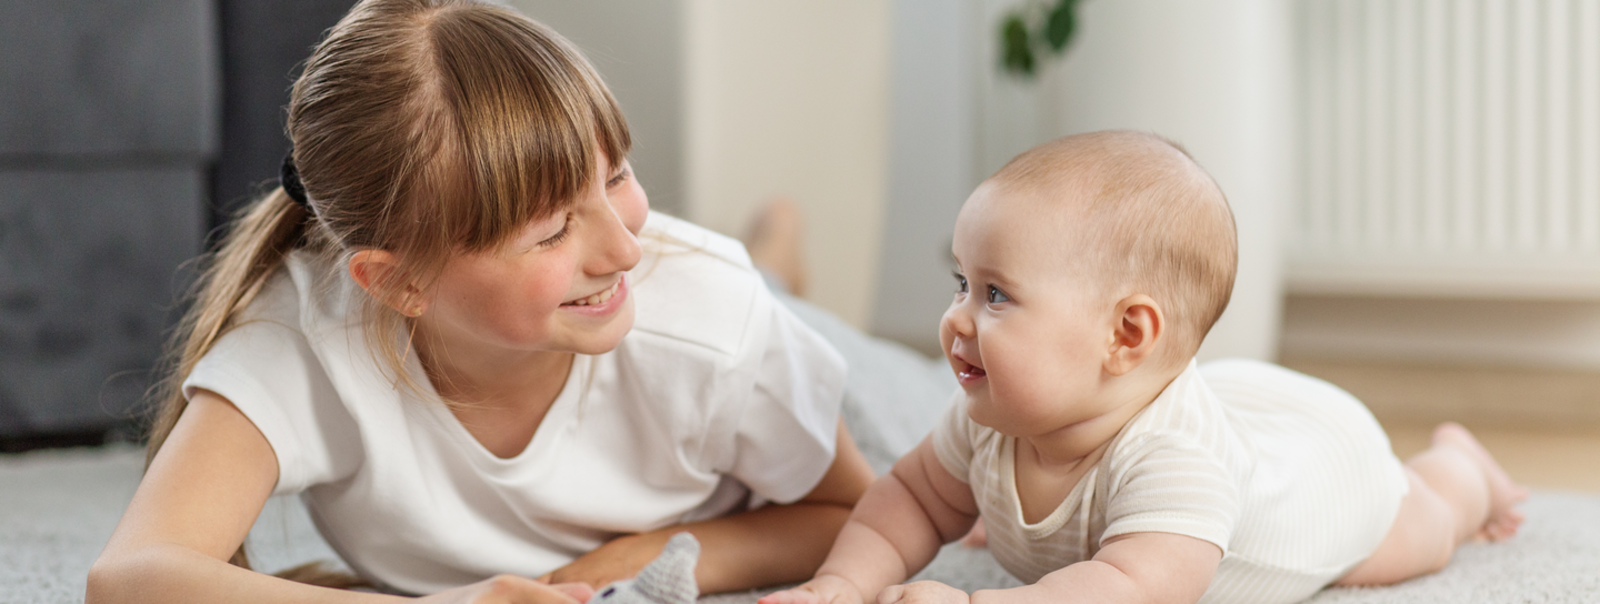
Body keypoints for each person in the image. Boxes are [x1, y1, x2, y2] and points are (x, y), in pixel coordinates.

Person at [86, 1, 880, 601]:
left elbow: (852, 514)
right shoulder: (306, 339)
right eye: (550, 232)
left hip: (748, 350)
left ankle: (778, 250)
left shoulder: (713, 320)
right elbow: (128, 577)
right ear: (397, 283)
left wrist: (628, 562)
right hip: (669, 332)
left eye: (616, 177)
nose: (622, 246)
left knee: (867, 371)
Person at [760, 131, 1529, 604]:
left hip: (1319, 472)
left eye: (996, 295)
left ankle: (1462, 468)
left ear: (1127, 336)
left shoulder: (1177, 465)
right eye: (962, 282)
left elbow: (1124, 588)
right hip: (1228, 405)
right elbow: (909, 501)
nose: (957, 317)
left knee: (1418, 532)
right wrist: (840, 584)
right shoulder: (988, 420)